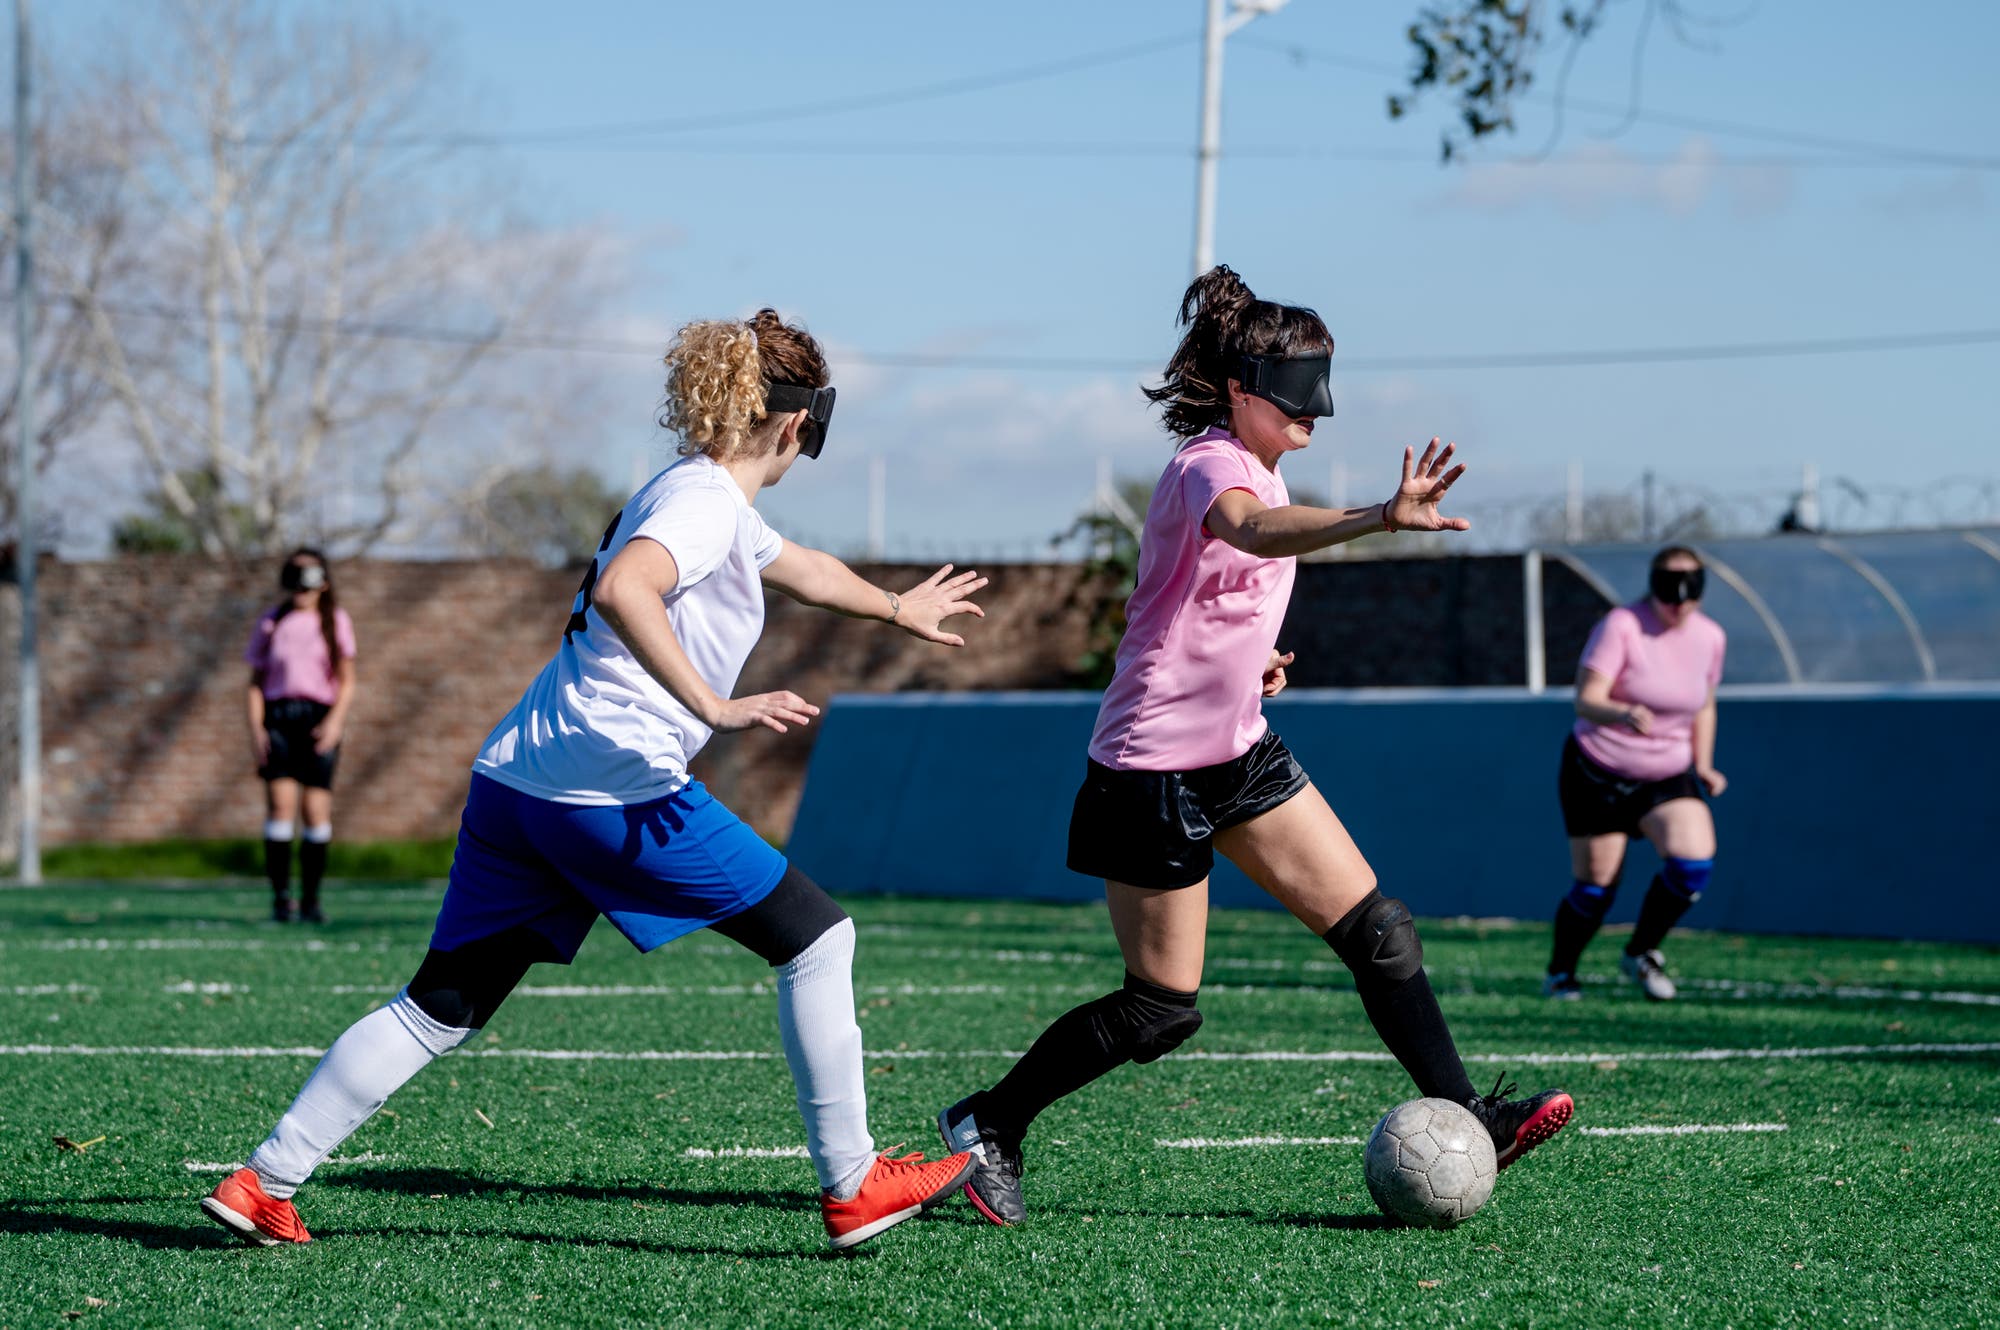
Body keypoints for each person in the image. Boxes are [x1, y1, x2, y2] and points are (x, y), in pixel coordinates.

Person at [202, 309, 987, 1251]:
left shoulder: (694, 494)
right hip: (609, 790)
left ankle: (264, 1180)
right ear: (793, 425)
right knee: (818, 940)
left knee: (440, 1006)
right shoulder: (700, 508)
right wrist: (717, 705)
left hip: (519, 781)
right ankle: (855, 1184)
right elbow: (627, 590)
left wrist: (897, 606)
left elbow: (802, 568)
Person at [935, 266, 1573, 1227]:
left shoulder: (1265, 468)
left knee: (1381, 933)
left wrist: (1256, 664)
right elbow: (1255, 533)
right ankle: (989, 1121)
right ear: (1240, 388)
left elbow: (1199, 595)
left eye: (1322, 380)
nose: (1316, 406)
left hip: (1240, 751)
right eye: (1296, 385)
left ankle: (1472, 1113)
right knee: (1162, 1008)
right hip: (1151, 771)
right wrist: (1377, 517)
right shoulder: (1210, 467)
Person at [1544, 545, 1726, 1001]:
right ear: (1652, 584)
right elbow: (1586, 699)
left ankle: (1641, 951)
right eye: (1669, 588)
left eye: (1690, 588)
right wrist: (1620, 713)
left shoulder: (1710, 637)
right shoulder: (1621, 625)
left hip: (1667, 773)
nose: (1679, 601)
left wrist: (1703, 765)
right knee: (1595, 885)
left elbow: (1704, 705)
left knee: (1693, 861)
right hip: (1598, 770)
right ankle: (1561, 972)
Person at [245, 548, 357, 924]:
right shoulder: (272, 621)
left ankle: (311, 900)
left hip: (318, 718)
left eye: (309, 578)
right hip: (279, 718)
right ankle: (281, 898)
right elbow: (255, 684)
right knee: (280, 806)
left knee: (316, 810)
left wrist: (335, 723)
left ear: (323, 583)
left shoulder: (334, 621)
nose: (301, 587)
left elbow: (347, 679)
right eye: (294, 576)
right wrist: (257, 728)